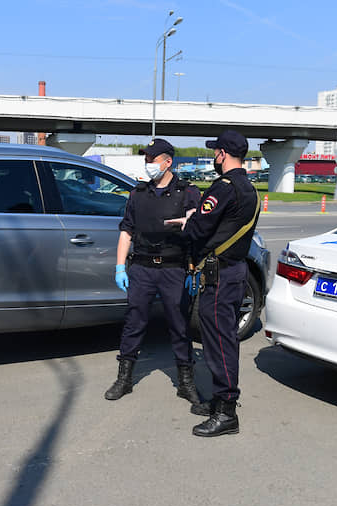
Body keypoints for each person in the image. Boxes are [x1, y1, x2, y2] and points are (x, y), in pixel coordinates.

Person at [165, 130, 259, 437]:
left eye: (215, 153)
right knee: (222, 338)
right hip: (233, 272)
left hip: (219, 276)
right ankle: (221, 400)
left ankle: (227, 411)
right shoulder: (249, 188)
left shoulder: (224, 188)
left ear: (222, 154)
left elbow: (199, 229)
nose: (213, 158)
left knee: (219, 342)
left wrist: (187, 222)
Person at [105, 138, 203, 409]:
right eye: (146, 159)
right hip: (142, 268)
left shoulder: (188, 192)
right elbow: (126, 231)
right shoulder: (138, 193)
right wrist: (120, 266)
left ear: (167, 162)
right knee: (134, 322)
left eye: (152, 159)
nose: (148, 164)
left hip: (174, 268)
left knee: (179, 325)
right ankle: (124, 378)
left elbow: (202, 227)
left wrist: (194, 265)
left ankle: (186, 382)